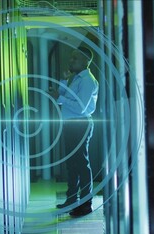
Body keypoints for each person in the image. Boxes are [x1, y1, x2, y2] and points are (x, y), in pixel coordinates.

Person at [48, 46, 99, 217]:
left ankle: (85, 204)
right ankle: (71, 200)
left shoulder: (87, 81)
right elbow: (65, 99)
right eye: (71, 58)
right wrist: (63, 82)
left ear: (86, 61)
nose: (71, 61)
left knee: (82, 165)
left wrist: (60, 97)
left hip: (80, 124)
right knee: (72, 164)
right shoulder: (76, 78)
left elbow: (81, 107)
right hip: (71, 124)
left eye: (75, 59)